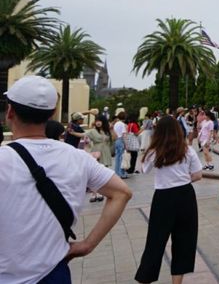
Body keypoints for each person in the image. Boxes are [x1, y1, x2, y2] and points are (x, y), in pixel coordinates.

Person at [0, 75, 131, 283]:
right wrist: (88, 244)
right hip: (53, 272)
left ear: (10, 112)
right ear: (52, 113)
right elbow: (122, 192)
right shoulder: (77, 158)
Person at [135, 117, 202, 283]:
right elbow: (198, 174)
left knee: (155, 240)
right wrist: (184, 179)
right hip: (186, 196)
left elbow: (143, 170)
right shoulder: (187, 150)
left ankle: (146, 278)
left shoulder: (155, 151)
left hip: (163, 198)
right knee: (184, 241)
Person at [86, 115, 113, 202]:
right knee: (95, 174)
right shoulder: (92, 131)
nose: (98, 122)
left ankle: (100, 193)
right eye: (96, 120)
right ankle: (94, 193)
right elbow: (84, 136)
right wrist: (73, 133)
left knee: (103, 174)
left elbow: (115, 138)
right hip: (96, 152)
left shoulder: (107, 131)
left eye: (99, 120)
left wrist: (111, 128)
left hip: (105, 152)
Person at [112, 111, 129, 179]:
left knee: (117, 158)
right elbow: (124, 135)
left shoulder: (116, 124)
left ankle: (117, 172)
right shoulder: (122, 124)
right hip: (121, 140)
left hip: (116, 140)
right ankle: (121, 173)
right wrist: (126, 144)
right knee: (122, 158)